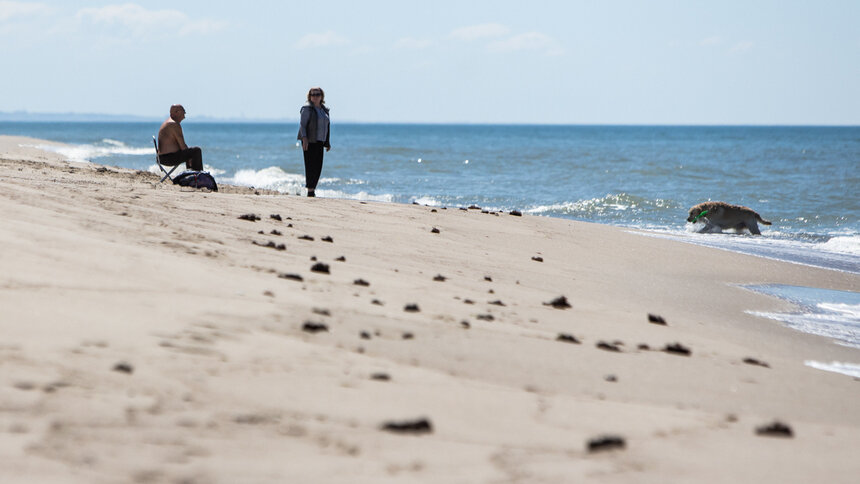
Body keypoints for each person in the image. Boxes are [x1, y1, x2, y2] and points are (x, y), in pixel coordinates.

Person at [297, 87, 331, 197]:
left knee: (318, 166)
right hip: (310, 140)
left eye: (317, 94)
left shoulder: (324, 110)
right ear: (310, 96)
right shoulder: (307, 109)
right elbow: (302, 125)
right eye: (313, 95)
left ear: (321, 96)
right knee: (310, 165)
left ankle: (312, 189)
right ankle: (310, 191)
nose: (315, 97)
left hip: (320, 141)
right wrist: (304, 138)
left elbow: (327, 126)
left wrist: (327, 142)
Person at [157, 104, 203, 171]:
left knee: (189, 152)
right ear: (176, 112)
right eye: (183, 111)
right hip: (168, 158)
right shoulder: (174, 124)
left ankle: (192, 175)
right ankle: (197, 178)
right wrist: (189, 157)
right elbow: (182, 146)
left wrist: (188, 155)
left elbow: (183, 149)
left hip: (162, 158)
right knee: (196, 151)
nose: (185, 114)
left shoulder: (168, 122)